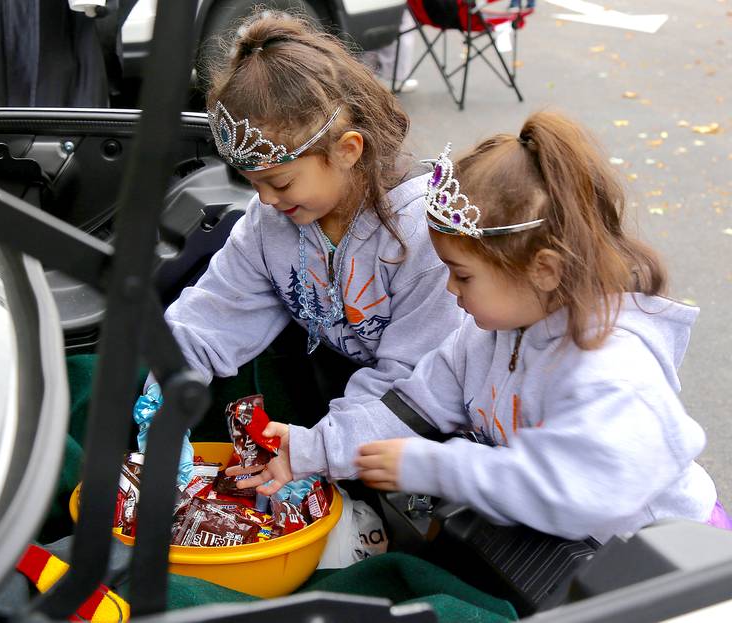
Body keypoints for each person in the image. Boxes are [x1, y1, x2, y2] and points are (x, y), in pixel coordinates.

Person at [245, 110, 729, 542]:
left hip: (671, 564)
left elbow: (573, 490)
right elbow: (411, 405)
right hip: (578, 558)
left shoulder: (613, 371)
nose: (451, 291)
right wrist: (312, 448)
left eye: (463, 274)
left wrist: (436, 467)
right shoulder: (484, 336)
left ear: (544, 270)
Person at [153, 12, 463, 470]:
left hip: (422, 430)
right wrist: (168, 385)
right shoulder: (268, 222)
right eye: (251, 182)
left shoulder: (424, 232)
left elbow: (413, 386)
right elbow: (214, 313)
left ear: (347, 150)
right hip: (341, 401)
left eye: (280, 182)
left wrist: (317, 450)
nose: (264, 200)